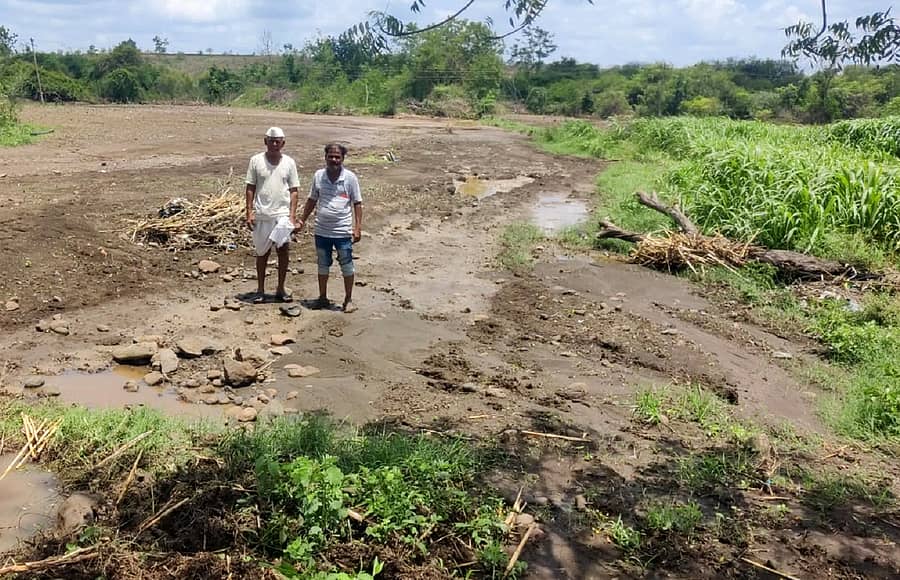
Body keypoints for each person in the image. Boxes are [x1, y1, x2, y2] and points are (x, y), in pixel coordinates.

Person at [296, 143, 363, 313]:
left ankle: (348, 299)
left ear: (343, 159)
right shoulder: (319, 176)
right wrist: (302, 220)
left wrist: (357, 228)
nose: (334, 160)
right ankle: (322, 298)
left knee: (347, 265)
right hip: (322, 230)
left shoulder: (350, 178)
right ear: (325, 157)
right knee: (322, 265)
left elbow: (357, 203)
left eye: (337, 157)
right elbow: (312, 199)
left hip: (342, 231)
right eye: (330, 156)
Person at [245, 126, 300, 303]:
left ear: (283, 143)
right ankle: (260, 290)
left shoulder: (289, 162)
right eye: (271, 141)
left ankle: (281, 288)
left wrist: (292, 216)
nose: (274, 144)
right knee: (262, 253)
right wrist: (249, 212)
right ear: (265, 141)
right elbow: (250, 187)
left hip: (282, 214)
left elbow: (294, 190)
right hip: (262, 213)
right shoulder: (255, 161)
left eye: (278, 142)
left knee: (283, 250)